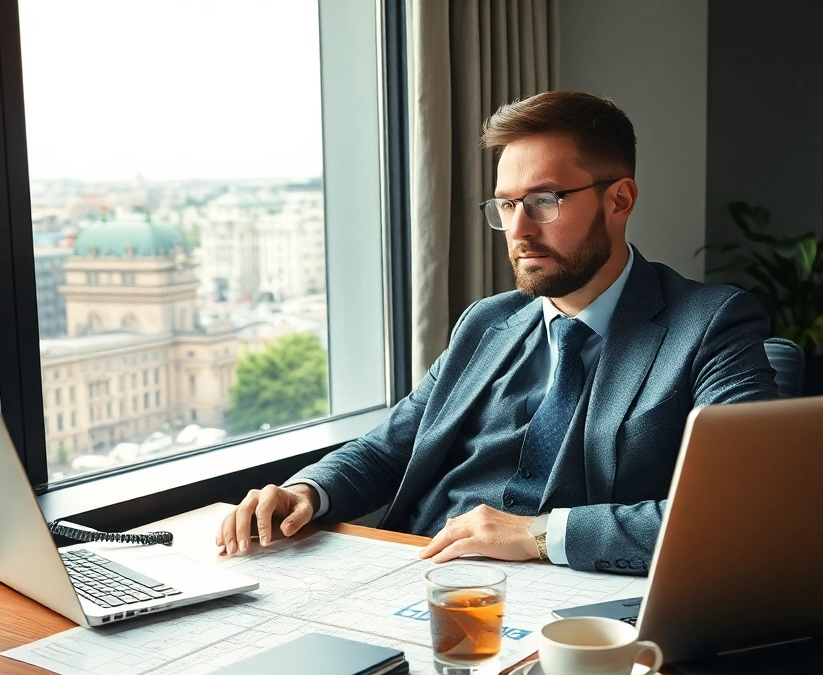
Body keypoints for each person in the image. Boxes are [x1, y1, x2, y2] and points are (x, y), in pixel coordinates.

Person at [217, 90, 777, 573]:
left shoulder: (711, 324)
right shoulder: (486, 322)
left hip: (566, 601)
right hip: (415, 567)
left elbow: (742, 506)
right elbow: (389, 449)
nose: (519, 230)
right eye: (506, 205)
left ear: (619, 200)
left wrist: (539, 535)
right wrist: (305, 491)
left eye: (544, 201)